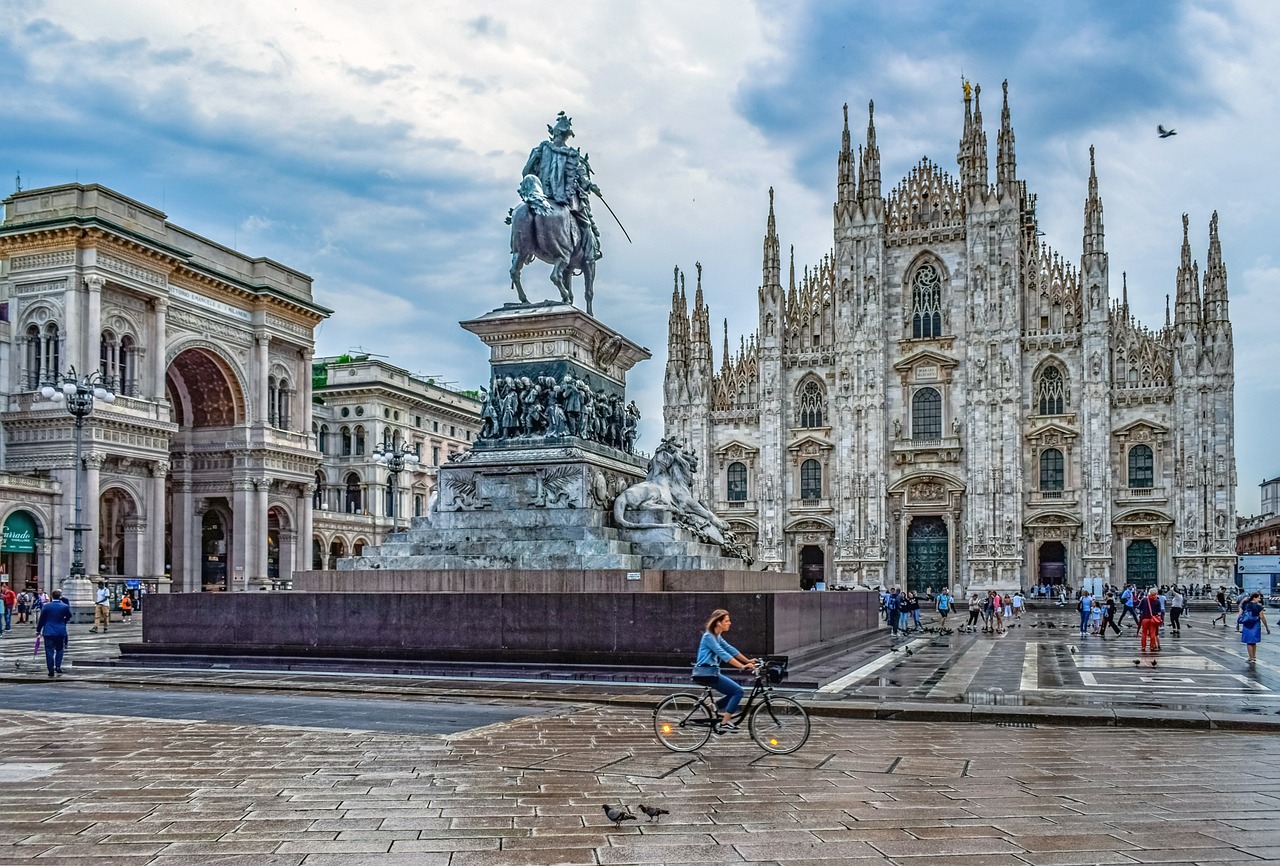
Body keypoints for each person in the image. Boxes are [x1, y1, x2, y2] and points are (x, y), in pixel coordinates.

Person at [521, 112, 603, 261]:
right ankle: (590, 255)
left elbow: (526, 171)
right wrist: (592, 186)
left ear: (554, 132)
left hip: (542, 195)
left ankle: (525, 248)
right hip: (564, 198)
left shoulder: (542, 149)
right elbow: (583, 179)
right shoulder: (571, 155)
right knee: (585, 223)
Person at [692, 609, 757, 732]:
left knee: (733, 692)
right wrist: (742, 666)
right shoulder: (708, 636)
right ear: (718, 623)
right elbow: (723, 654)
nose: (730, 623)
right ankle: (724, 723)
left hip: (711, 672)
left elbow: (730, 649)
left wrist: (748, 661)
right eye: (726, 621)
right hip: (706, 673)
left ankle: (713, 707)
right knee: (738, 692)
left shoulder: (717, 636)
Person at [35, 589, 72, 677]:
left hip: (48, 631)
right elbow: (69, 616)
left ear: (51, 596)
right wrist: (63, 621)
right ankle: (58, 666)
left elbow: (42, 619)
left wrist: (38, 630)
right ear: (60, 597)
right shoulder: (64, 606)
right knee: (60, 649)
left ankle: (50, 669)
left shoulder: (46, 606)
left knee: (49, 651)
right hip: (60, 631)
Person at [1238, 592, 1270, 665]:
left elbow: (1240, 613)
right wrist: (1266, 627)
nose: (1259, 599)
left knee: (1249, 642)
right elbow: (1262, 617)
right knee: (1254, 641)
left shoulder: (1246, 605)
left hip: (1247, 624)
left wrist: (1238, 623)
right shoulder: (1259, 607)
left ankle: (1251, 657)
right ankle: (1254, 657)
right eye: (1258, 598)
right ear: (1254, 598)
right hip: (1255, 624)